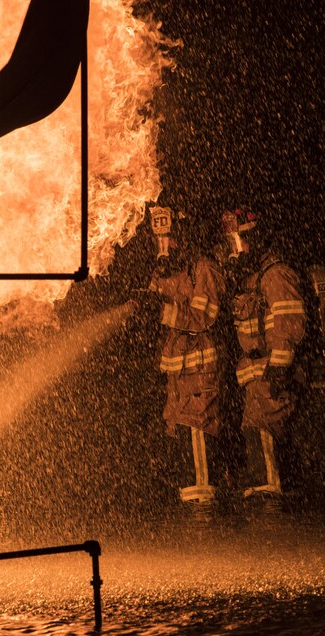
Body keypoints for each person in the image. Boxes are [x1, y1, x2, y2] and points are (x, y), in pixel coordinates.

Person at [127, 204, 228, 522]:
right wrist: (141, 309)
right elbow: (161, 313)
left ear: (182, 236)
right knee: (179, 430)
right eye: (159, 241)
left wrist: (161, 309)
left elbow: (203, 317)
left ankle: (203, 507)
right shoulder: (162, 272)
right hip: (174, 370)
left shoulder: (203, 268)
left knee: (196, 427)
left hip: (200, 368)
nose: (164, 247)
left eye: (168, 239)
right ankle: (193, 504)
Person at [220, 207, 325, 512]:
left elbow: (289, 324)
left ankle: (266, 492)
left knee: (259, 422)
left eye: (238, 242)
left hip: (275, 369)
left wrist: (279, 368)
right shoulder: (253, 278)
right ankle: (289, 487)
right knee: (273, 428)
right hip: (257, 371)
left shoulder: (276, 274)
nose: (236, 250)